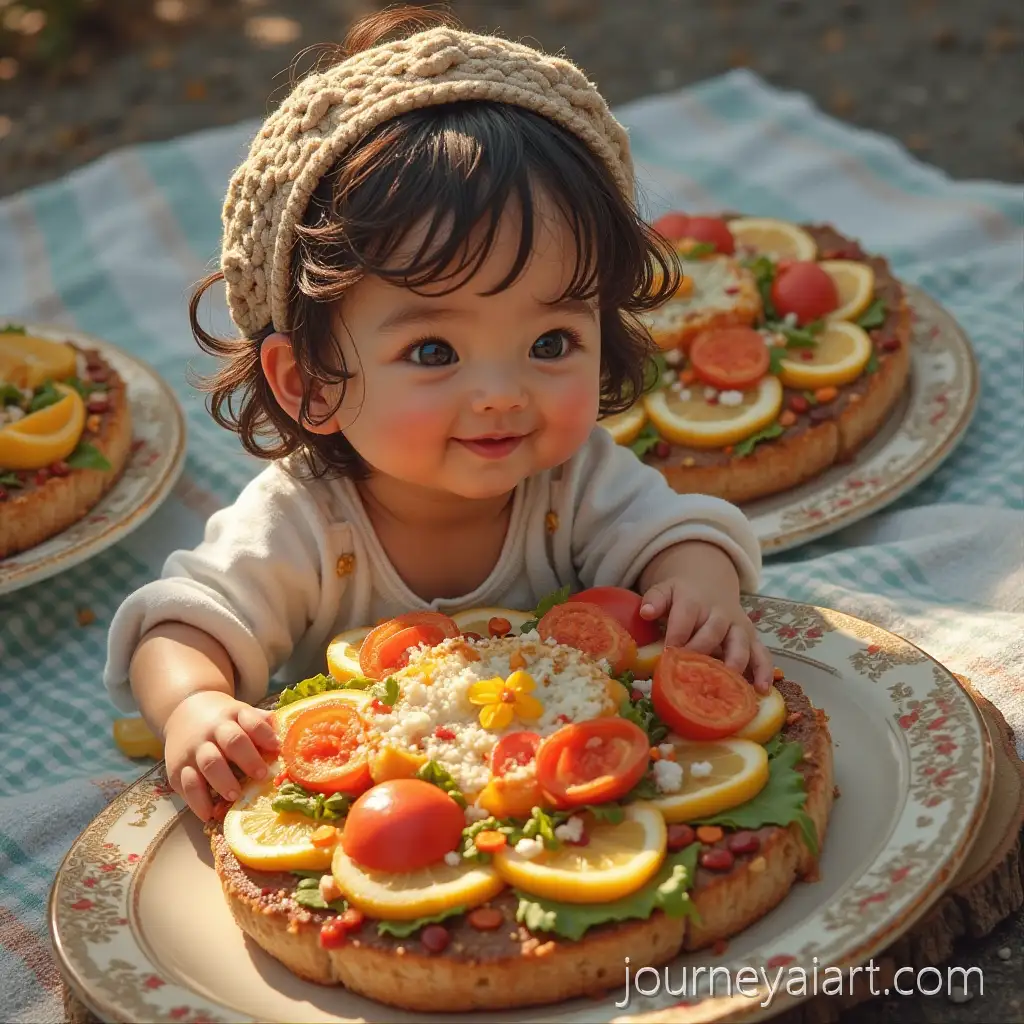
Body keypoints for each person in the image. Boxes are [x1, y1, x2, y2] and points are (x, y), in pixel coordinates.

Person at [104, 5, 770, 821]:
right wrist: (195, 708)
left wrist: (700, 589)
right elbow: (178, 627)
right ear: (310, 381)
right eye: (433, 353)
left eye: (553, 340)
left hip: (568, 788)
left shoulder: (573, 477)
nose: (502, 393)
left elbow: (679, 533)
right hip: (392, 813)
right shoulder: (305, 523)